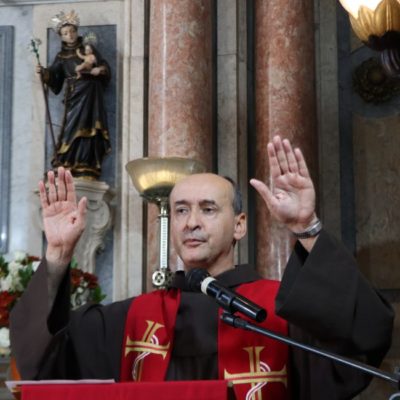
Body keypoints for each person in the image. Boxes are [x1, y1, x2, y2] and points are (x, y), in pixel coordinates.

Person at [10, 136, 394, 400]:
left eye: (208, 209)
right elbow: (42, 365)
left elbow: (366, 336)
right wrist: (58, 253)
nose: (191, 221)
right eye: (181, 210)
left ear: (239, 225)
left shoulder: (278, 312)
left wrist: (305, 227)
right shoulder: (131, 319)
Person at [37, 11, 111, 179]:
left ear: (77, 31)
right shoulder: (61, 56)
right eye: (65, 33)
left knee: (90, 124)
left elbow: (103, 67)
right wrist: (44, 73)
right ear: (61, 37)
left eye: (72, 31)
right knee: (71, 126)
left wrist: (100, 70)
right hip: (74, 93)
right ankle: (66, 160)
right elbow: (55, 77)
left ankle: (86, 162)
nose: (70, 35)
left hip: (91, 92)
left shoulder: (88, 49)